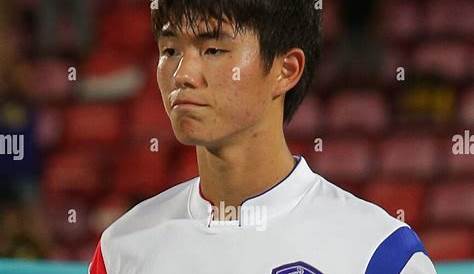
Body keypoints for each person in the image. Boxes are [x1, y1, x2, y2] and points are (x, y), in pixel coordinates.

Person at [89, 0, 437, 273]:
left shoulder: (378, 253)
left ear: (286, 70)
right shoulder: (122, 247)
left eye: (213, 50)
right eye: (170, 51)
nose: (183, 74)